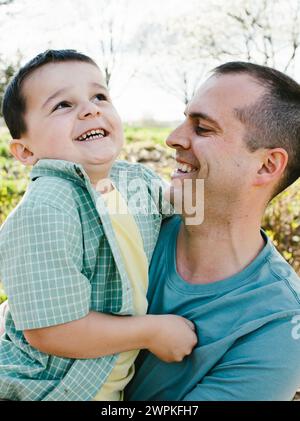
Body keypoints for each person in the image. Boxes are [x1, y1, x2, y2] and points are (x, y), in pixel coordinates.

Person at [0, 49, 197, 401]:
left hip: (109, 385)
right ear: (25, 152)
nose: (91, 109)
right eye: (63, 105)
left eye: (99, 96)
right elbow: (50, 331)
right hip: (52, 389)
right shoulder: (47, 208)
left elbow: (188, 211)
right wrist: (151, 333)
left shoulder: (134, 181)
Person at [125, 62, 300, 401]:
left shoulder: (278, 324)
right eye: (185, 119)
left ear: (267, 165)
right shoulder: (130, 226)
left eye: (202, 128)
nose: (173, 138)